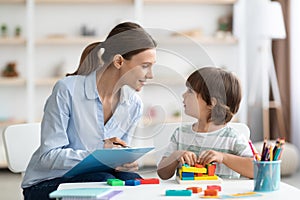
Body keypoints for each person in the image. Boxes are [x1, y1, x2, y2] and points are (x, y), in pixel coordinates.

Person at [22, 22, 157, 200]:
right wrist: (100, 151)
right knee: (103, 181)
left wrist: (124, 163)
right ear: (118, 61)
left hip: (97, 177)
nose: (151, 75)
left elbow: (117, 161)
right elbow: (49, 156)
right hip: (47, 183)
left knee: (132, 181)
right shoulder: (67, 90)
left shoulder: (133, 104)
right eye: (145, 66)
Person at [157, 67, 254, 180]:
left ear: (211, 103)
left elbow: (255, 170)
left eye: (190, 91)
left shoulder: (233, 138)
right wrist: (176, 156)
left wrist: (223, 158)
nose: (183, 95)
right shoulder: (180, 134)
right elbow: (162, 173)